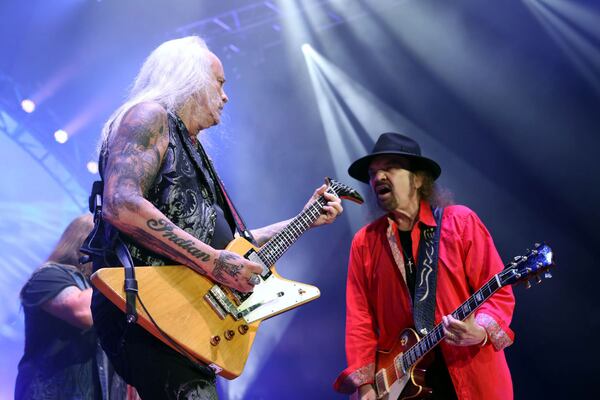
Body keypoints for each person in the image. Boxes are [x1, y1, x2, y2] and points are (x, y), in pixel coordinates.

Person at [82, 36, 343, 399]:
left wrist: (304, 219)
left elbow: (237, 244)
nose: (225, 96)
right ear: (192, 79)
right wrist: (215, 262)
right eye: (219, 84)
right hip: (151, 307)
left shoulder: (193, 149)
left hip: (190, 317)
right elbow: (121, 202)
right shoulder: (148, 116)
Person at [333, 133, 515, 399]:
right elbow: (360, 319)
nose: (378, 177)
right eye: (373, 173)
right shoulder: (364, 243)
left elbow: (499, 291)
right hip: (404, 387)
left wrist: (481, 332)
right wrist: (365, 385)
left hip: (470, 375)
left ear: (418, 179)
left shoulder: (460, 222)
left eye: (390, 167)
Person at [15, 214, 134, 400]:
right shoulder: (47, 275)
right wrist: (117, 270)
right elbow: (84, 312)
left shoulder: (109, 292)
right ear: (88, 241)